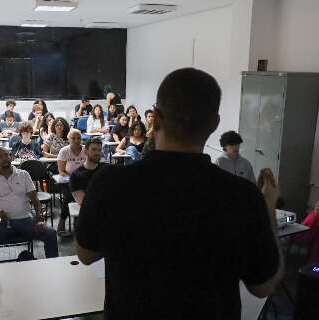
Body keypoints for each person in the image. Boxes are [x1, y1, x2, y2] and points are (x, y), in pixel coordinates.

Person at [76, 68, 283, 319]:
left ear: (155, 119)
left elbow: (86, 254)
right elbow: (263, 286)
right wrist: (268, 205)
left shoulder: (110, 182)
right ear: (215, 124)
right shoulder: (242, 196)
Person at [0, 147, 59, 258]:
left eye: (6, 155)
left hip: (26, 220)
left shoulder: (23, 175)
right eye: (0, 157)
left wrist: (39, 219)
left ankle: (53, 265)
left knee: (50, 234)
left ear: (11, 157)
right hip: (2, 223)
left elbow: (35, 200)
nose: (5, 158)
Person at [57, 129, 86, 233]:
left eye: (78, 138)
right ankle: (62, 220)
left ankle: (81, 221)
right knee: (69, 196)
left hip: (84, 181)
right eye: (73, 138)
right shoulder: (64, 151)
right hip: (67, 181)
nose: (76, 140)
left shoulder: (85, 150)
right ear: (68, 139)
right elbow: (61, 170)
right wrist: (74, 177)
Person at [69, 137, 105, 206]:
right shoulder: (76, 176)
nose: (97, 153)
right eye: (93, 149)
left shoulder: (106, 169)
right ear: (85, 152)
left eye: (99, 150)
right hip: (91, 213)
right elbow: (84, 203)